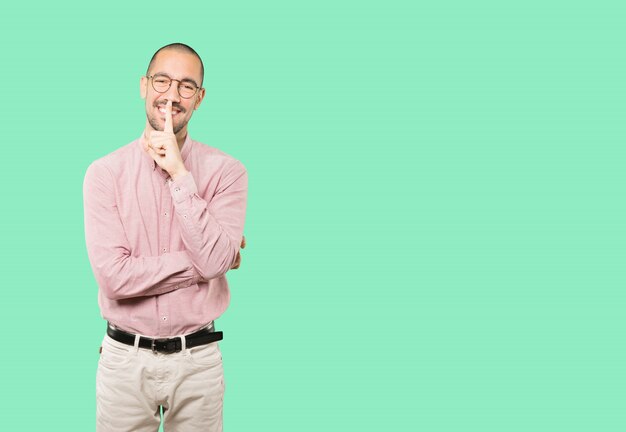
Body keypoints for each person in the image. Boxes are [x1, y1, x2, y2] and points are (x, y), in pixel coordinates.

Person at [83, 42, 248, 431]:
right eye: (162, 80)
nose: (172, 95)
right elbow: (114, 278)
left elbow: (215, 260)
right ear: (143, 85)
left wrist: (178, 173)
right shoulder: (104, 174)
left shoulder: (228, 172)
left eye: (186, 86)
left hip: (199, 361)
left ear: (200, 98)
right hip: (124, 361)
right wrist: (210, 262)